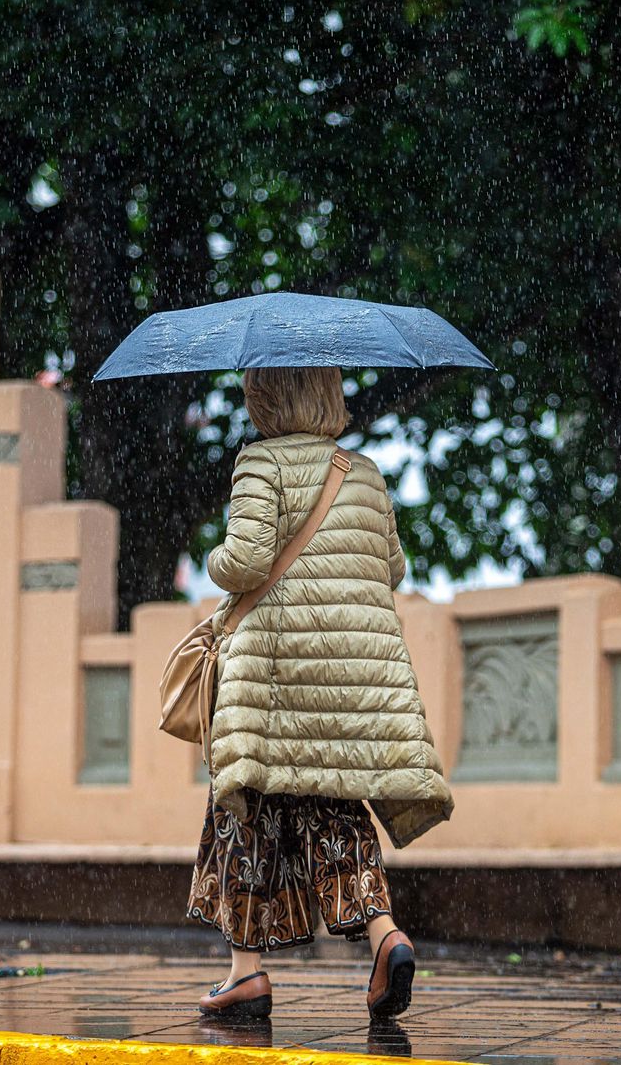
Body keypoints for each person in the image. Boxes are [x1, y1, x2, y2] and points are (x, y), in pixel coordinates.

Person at [186, 366, 454, 1020]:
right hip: (352, 680)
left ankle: (245, 973)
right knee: (336, 807)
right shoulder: (361, 471)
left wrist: (216, 561)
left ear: (265, 398)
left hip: (275, 675)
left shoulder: (259, 464)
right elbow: (392, 568)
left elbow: (247, 561)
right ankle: (384, 933)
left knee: (244, 809)